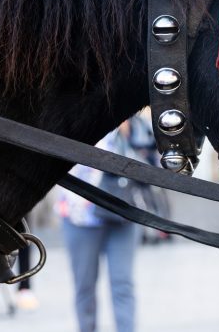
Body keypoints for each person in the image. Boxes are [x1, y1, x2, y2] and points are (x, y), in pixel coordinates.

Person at [57, 120, 139, 332]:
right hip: (79, 214)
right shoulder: (73, 108)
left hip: (121, 209)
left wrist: (130, 129)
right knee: (85, 287)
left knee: (123, 284)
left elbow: (147, 150)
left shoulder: (124, 109)